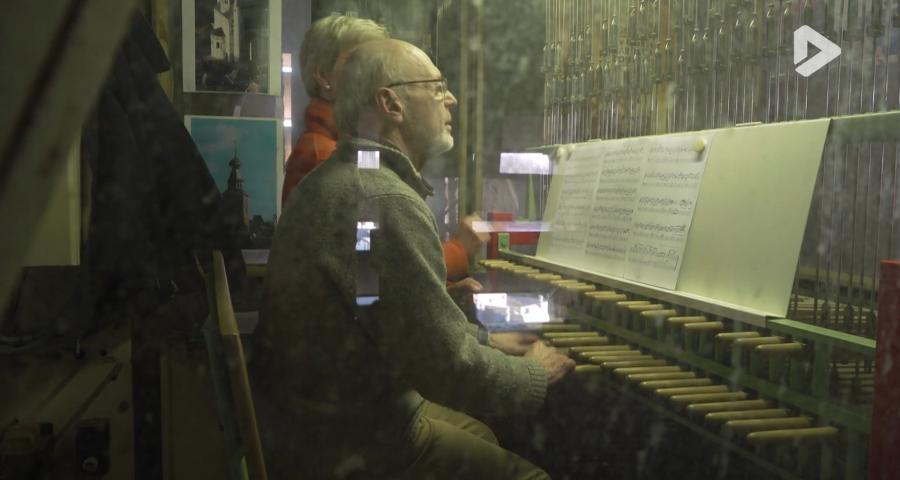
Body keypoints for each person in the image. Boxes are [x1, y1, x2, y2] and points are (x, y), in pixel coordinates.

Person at [250, 39, 575, 479]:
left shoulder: (349, 178)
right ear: (391, 104)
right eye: (437, 87)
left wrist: (457, 321)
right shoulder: (383, 197)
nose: (451, 98)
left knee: (480, 435)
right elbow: (445, 368)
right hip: (353, 443)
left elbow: (369, 302)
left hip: (315, 424)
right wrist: (533, 374)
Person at [283, 13, 482, 282]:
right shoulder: (330, 160)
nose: (373, 68)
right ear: (323, 76)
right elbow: (374, 266)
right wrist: (459, 249)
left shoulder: (342, 151)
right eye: (359, 59)